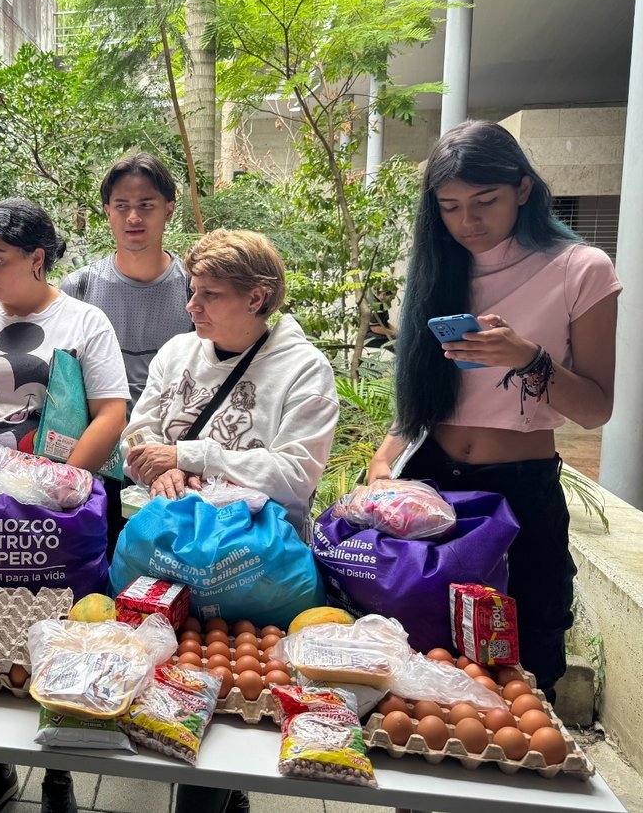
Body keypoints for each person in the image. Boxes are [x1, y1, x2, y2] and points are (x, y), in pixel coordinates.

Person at [367, 120, 619, 703]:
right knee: (418, 663)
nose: (468, 222)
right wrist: (383, 465)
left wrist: (527, 358)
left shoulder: (580, 268)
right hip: (429, 483)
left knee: (526, 666)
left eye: (486, 201)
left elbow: (596, 409)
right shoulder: (438, 267)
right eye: (450, 207)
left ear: (524, 189)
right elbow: (419, 400)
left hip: (519, 490)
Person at [0, 198, 129, 813]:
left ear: (38, 259)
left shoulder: (85, 321)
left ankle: (59, 773)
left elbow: (111, 412)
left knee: (64, 636)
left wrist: (60, 487)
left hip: (57, 513)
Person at [122, 229, 338, 813]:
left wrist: (188, 456)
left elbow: (295, 474)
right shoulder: (176, 352)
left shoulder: (304, 371)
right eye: (191, 292)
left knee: (233, 702)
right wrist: (158, 467)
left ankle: (215, 796)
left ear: (257, 298)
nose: (192, 307)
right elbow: (137, 434)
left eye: (209, 295)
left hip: (254, 571)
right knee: (166, 694)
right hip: (167, 556)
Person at [59, 152, 194, 556]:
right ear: (107, 212)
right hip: (96, 462)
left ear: (169, 210)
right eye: (122, 206)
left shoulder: (195, 291)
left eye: (146, 205)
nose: (133, 217)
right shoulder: (80, 288)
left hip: (172, 466)